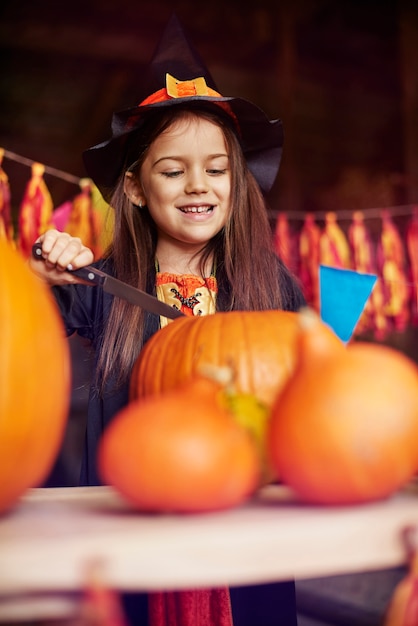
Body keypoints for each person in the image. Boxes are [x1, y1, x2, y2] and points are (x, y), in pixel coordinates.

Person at [29, 15, 305, 626]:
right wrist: (43, 282)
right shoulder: (99, 286)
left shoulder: (271, 283)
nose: (197, 185)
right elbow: (19, 342)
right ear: (133, 187)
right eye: (173, 170)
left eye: (216, 168)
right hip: (132, 529)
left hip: (248, 535)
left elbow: (317, 381)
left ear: (237, 181)